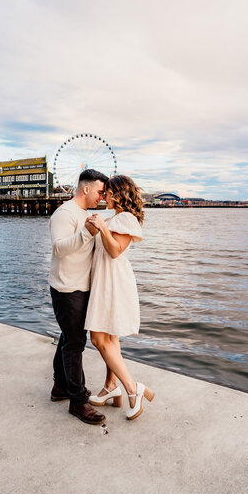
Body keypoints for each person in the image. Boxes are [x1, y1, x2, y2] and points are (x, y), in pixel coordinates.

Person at [85, 175, 155, 420]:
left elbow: (115, 251)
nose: (104, 197)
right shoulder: (114, 217)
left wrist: (102, 226)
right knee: (109, 337)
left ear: (118, 194)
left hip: (112, 281)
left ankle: (134, 389)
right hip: (105, 278)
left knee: (98, 338)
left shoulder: (125, 218)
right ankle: (110, 387)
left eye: (108, 193)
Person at [49, 169, 108, 425]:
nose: (102, 197)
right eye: (99, 191)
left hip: (82, 287)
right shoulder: (65, 213)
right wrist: (87, 232)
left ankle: (60, 387)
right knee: (75, 343)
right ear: (86, 189)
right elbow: (59, 248)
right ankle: (78, 401)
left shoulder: (86, 215)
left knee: (68, 336)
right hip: (66, 288)